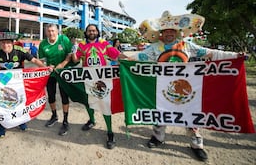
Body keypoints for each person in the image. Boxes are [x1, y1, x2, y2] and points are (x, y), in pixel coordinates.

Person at [134, 11, 243, 161]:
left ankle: (196, 145)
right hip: (162, 88)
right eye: (166, 30)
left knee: (191, 116)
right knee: (160, 113)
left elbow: (211, 53)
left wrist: (235, 56)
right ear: (161, 33)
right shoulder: (154, 48)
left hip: (187, 86)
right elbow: (136, 58)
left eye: (172, 30)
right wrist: (120, 58)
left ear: (177, 32)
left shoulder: (187, 45)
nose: (169, 33)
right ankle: (158, 137)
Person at [71, 24, 128, 149]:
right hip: (87, 79)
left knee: (105, 105)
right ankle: (91, 120)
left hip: (102, 80)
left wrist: (129, 59)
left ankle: (110, 132)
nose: (92, 32)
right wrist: (73, 50)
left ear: (97, 32)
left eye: (94, 30)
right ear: (86, 32)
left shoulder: (104, 44)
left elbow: (116, 54)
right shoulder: (81, 45)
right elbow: (75, 60)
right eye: (89, 30)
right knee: (88, 102)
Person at [38, 24, 74, 136]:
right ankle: (54, 115)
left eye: (53, 31)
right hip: (50, 73)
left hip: (64, 72)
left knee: (64, 96)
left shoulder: (64, 39)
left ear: (57, 31)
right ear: (46, 33)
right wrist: (46, 67)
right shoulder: (43, 44)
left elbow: (70, 55)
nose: (51, 33)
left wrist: (62, 64)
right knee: (51, 95)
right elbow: (42, 61)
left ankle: (65, 121)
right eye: (48, 31)